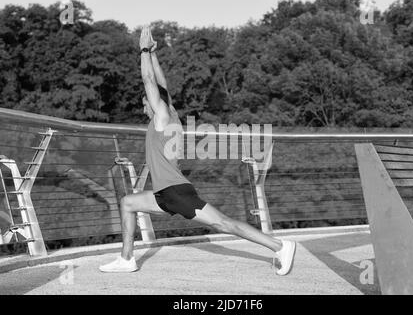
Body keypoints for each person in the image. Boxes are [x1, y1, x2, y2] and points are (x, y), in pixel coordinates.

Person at [99, 25, 296, 275]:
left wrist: (144, 50)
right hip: (165, 193)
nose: (143, 109)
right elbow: (162, 85)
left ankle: (279, 246)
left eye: (144, 104)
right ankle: (127, 259)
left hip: (175, 191)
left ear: (154, 103)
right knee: (128, 202)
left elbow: (150, 81)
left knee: (223, 224)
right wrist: (155, 54)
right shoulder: (171, 114)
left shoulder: (162, 117)